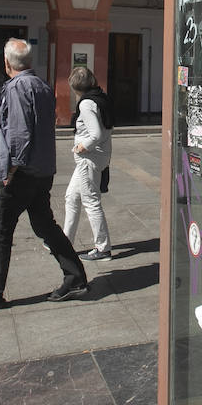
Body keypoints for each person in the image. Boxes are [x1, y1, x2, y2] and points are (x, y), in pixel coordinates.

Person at [0, 38, 87, 311]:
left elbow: (19, 134)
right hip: (42, 170)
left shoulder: (16, 88)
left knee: (0, 231)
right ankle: (75, 278)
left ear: (6, 63)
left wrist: (10, 171)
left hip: (22, 172)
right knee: (45, 226)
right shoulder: (41, 85)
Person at [64, 66, 113, 261]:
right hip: (97, 157)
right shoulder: (101, 97)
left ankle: (102, 248)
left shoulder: (86, 104)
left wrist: (82, 146)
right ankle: (65, 241)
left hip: (89, 158)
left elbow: (97, 134)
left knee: (91, 201)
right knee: (71, 197)